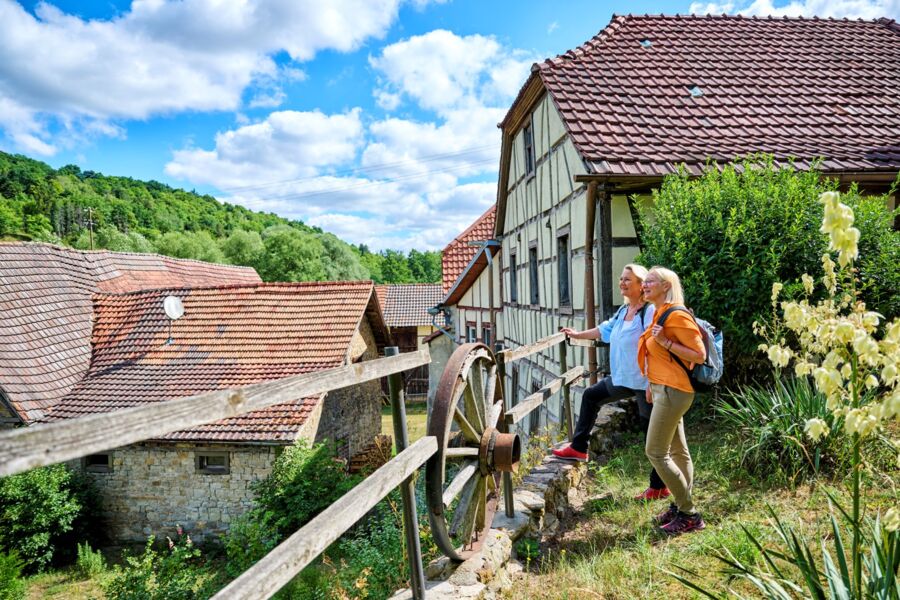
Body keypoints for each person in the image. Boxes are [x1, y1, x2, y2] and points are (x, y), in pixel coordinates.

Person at [552, 265, 668, 499]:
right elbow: (603, 330)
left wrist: (651, 383)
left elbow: (654, 348)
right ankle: (579, 447)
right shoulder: (623, 311)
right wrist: (577, 335)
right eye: (621, 279)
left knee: (651, 436)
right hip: (623, 379)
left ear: (640, 284)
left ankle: (659, 487)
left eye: (628, 280)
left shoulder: (647, 313)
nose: (622, 283)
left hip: (644, 382)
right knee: (591, 395)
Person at [637, 266, 707, 535]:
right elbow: (657, 357)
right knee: (678, 451)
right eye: (644, 282)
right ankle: (680, 507)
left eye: (650, 281)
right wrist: (651, 384)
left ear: (667, 286)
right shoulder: (659, 312)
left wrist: (665, 342)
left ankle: (690, 514)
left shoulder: (676, 314)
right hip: (663, 389)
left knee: (655, 451)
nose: (644, 285)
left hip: (674, 392)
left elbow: (698, 355)